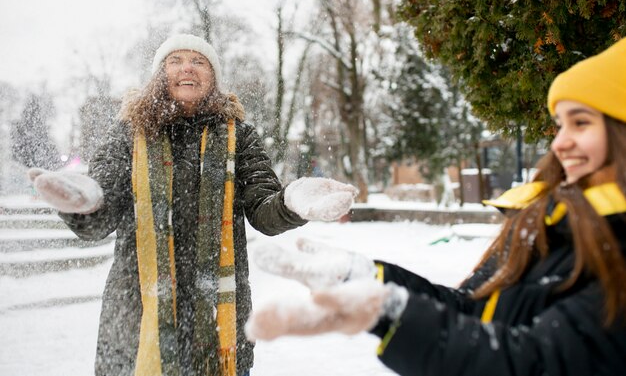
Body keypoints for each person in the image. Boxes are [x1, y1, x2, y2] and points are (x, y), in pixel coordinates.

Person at [245, 37, 626, 376]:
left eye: (581, 123)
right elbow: (473, 312)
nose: (560, 143)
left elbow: (533, 361)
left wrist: (391, 312)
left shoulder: (609, 236)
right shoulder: (549, 222)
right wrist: (364, 278)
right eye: (559, 125)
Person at [28, 33, 357, 376]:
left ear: (212, 77)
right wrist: (82, 202)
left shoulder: (239, 137)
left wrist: (291, 202)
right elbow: (101, 212)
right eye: (175, 61)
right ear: (160, 74)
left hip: (218, 317)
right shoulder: (128, 135)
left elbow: (263, 210)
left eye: (198, 61)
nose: (187, 68)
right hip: (137, 314)